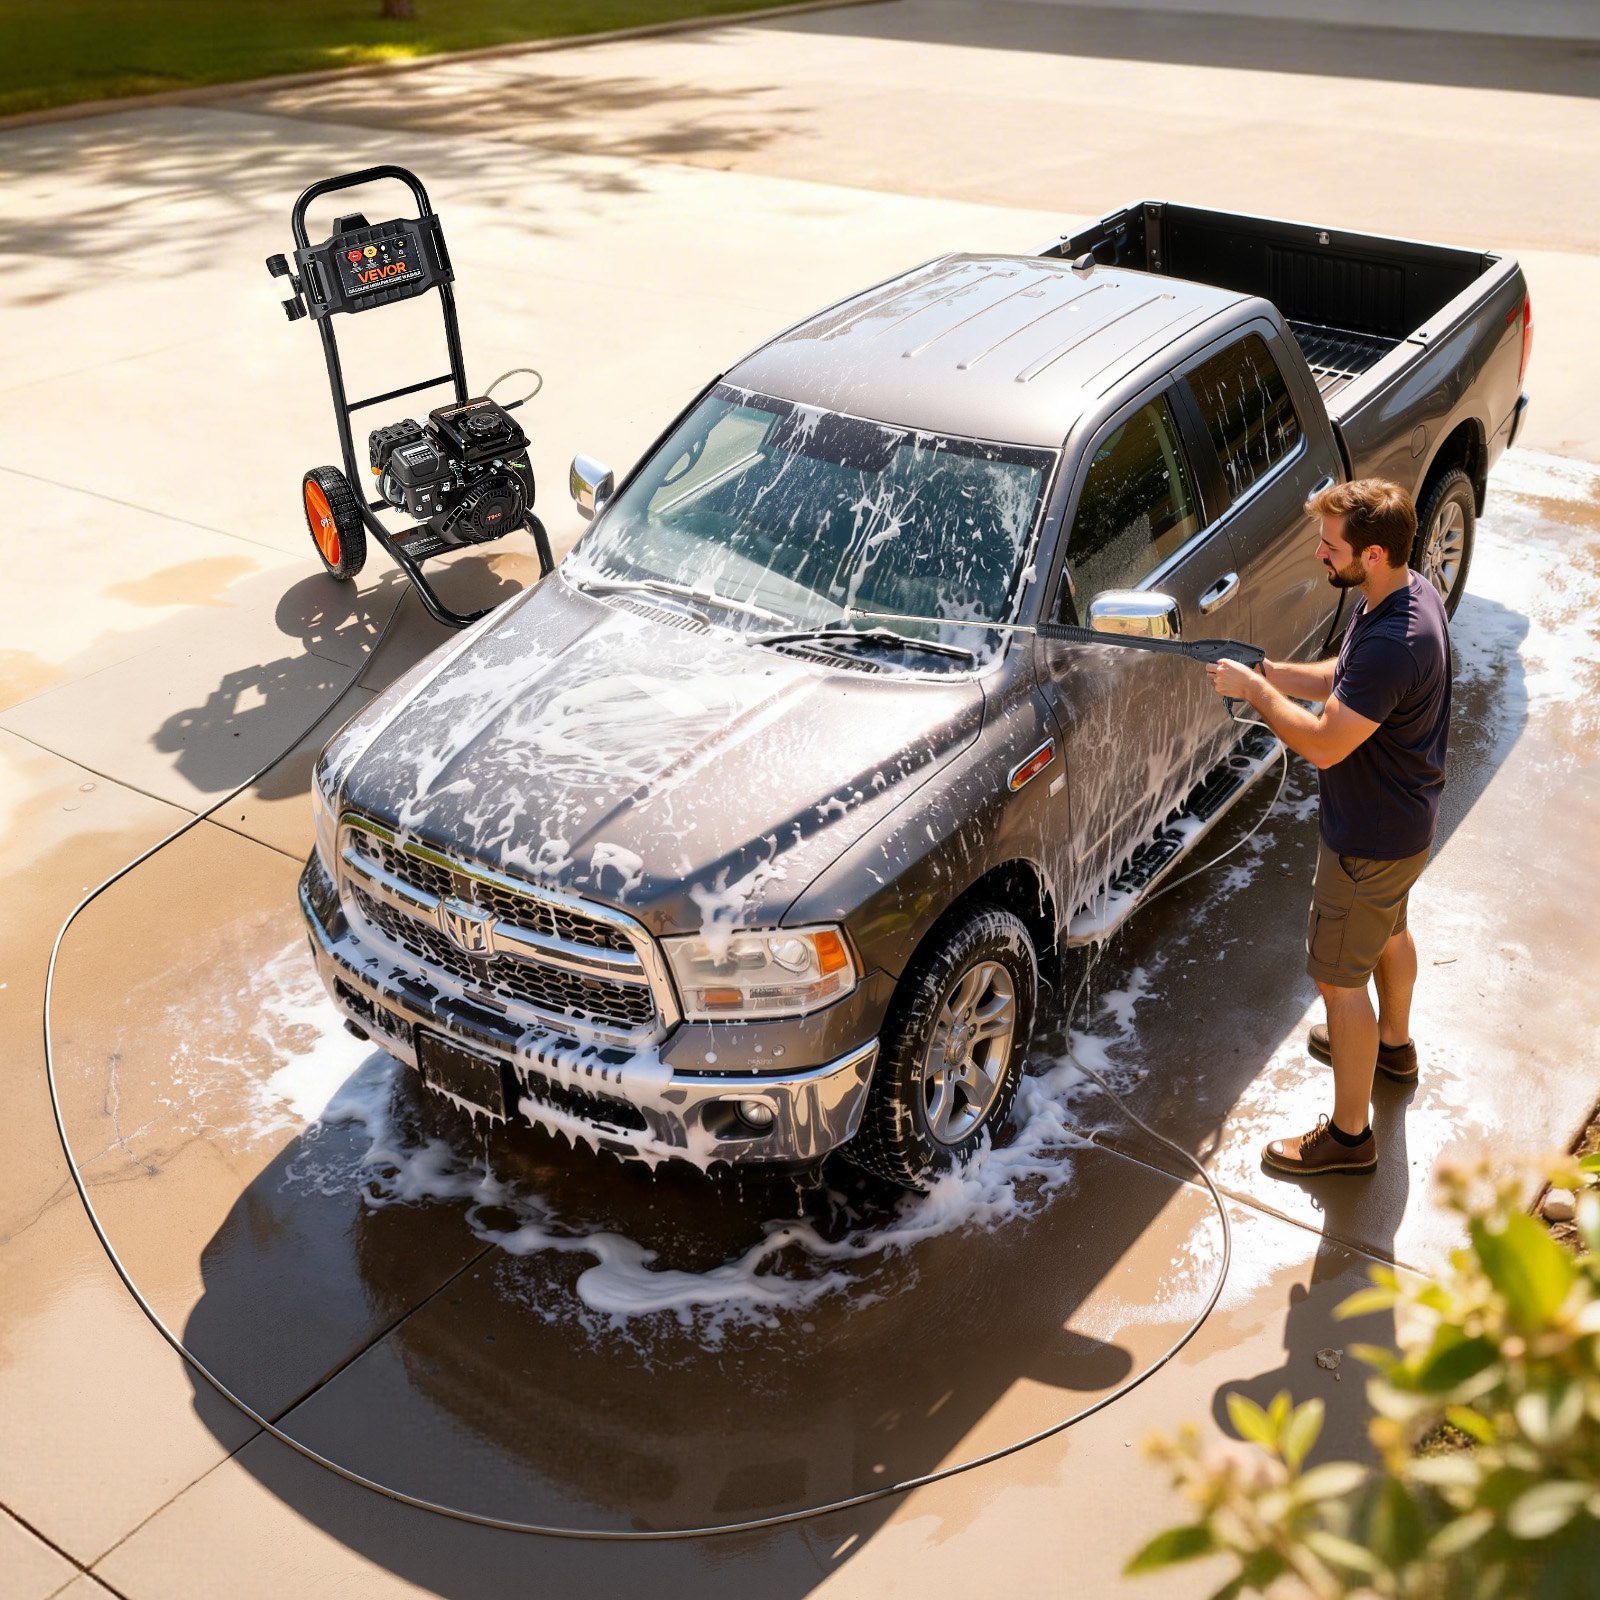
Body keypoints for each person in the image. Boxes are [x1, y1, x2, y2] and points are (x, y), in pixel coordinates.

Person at [1205, 478, 1452, 1178]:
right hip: (1404, 826)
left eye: (1331, 544)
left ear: (1372, 553)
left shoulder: (1393, 644)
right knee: (1390, 935)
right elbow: (1346, 682)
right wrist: (1276, 672)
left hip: (1366, 842)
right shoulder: (1406, 594)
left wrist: (1257, 696)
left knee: (1340, 989)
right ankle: (1393, 1048)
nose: (1319, 552)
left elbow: (1323, 743)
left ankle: (1349, 1138)